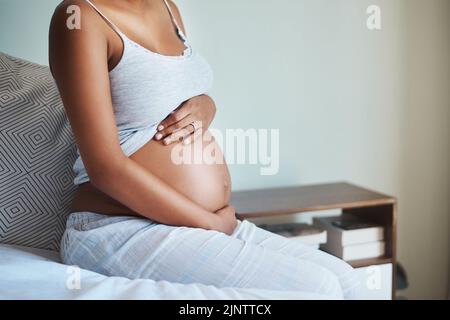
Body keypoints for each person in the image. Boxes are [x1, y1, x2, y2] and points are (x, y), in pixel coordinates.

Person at [49, 0, 360, 299]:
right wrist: (208, 223)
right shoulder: (79, 17)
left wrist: (207, 106)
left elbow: (171, 93)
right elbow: (105, 168)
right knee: (320, 290)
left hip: (193, 223)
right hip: (120, 229)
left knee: (346, 280)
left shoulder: (168, 8)